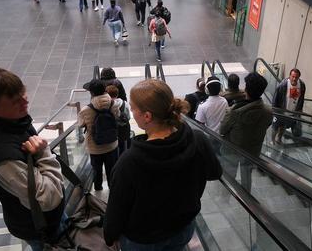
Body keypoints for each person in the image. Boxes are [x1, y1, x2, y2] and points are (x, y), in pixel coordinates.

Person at [103, 79, 222, 249]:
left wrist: (109, 237)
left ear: (147, 116)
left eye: (133, 108)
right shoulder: (198, 140)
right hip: (183, 229)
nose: (132, 113)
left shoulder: (129, 162)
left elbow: (116, 211)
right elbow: (214, 173)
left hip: (144, 240)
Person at [0, 68, 66, 250]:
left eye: (23, 93)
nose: (25, 100)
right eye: (16, 101)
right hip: (39, 229)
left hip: (48, 219)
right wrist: (44, 152)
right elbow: (49, 198)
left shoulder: (9, 121)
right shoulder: (3, 159)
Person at [219, 73, 273, 191]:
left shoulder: (233, 112)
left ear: (246, 89)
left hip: (232, 150)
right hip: (252, 151)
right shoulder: (268, 112)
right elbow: (267, 124)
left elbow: (222, 130)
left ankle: (227, 194)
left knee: (230, 173)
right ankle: (247, 196)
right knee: (247, 174)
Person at [78, 79, 120, 191]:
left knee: (96, 170)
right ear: (104, 90)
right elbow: (117, 117)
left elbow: (81, 124)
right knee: (112, 169)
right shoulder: (113, 104)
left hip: (94, 147)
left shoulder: (85, 110)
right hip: (112, 144)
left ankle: (98, 188)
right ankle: (113, 190)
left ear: (91, 93)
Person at [272, 68, 306, 142]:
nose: (294, 79)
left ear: (299, 77)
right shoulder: (283, 85)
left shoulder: (302, 85)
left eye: (296, 77)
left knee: (283, 126)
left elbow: (302, 98)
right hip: (282, 110)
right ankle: (272, 140)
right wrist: (275, 111)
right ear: (289, 76)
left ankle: (279, 139)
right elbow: (275, 99)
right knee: (276, 126)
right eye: (293, 76)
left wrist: (300, 110)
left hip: (293, 111)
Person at [106, 85, 131, 156]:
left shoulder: (106, 105)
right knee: (123, 148)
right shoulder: (124, 103)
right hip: (123, 130)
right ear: (117, 94)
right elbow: (128, 117)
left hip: (111, 131)